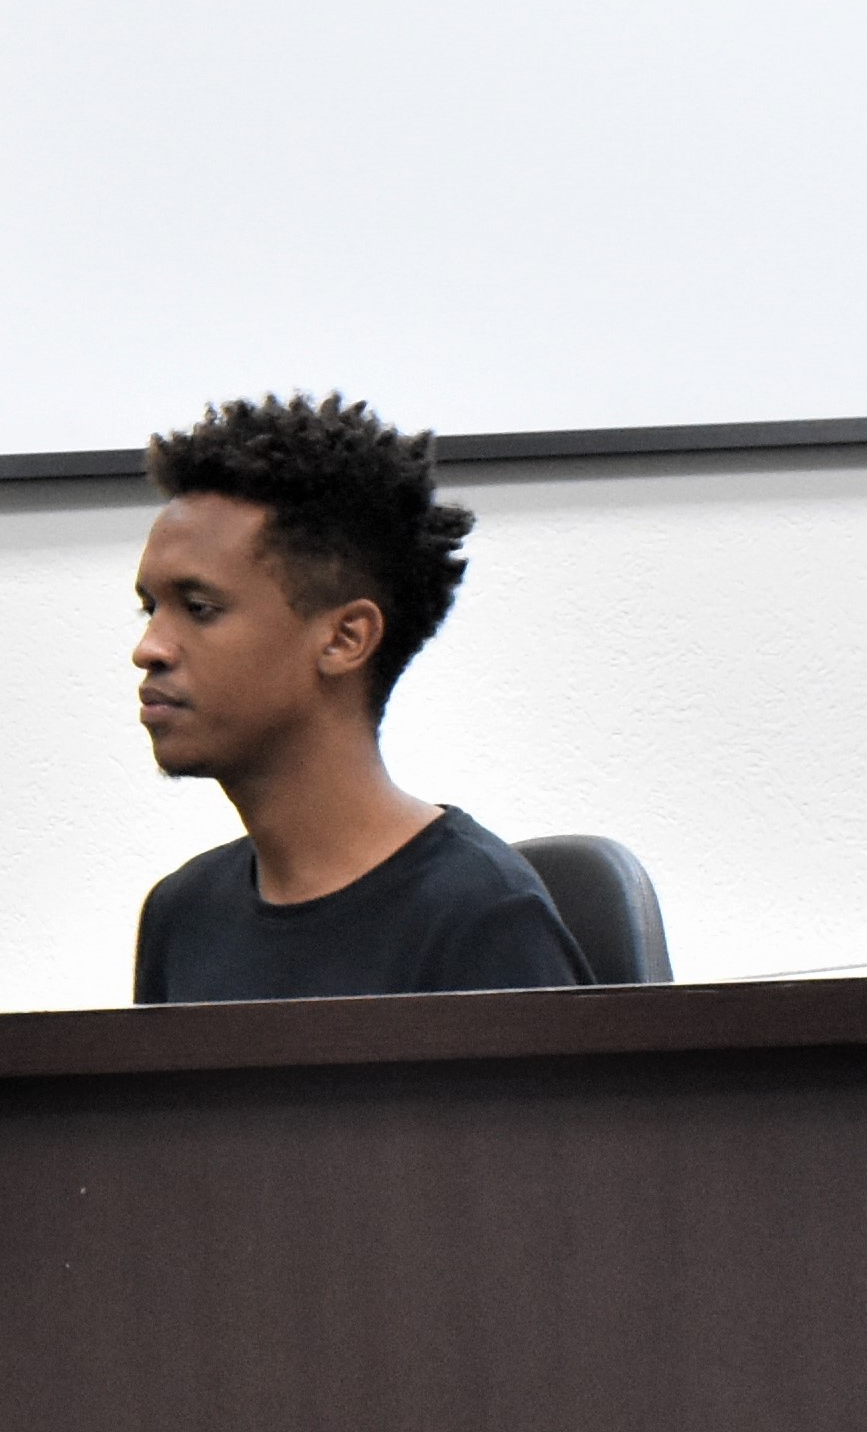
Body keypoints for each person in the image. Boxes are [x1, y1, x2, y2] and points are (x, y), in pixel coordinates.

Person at [127, 393, 583, 1003]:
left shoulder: (482, 918)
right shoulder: (181, 915)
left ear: (345, 639)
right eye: (150, 609)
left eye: (199, 608)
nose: (150, 648)